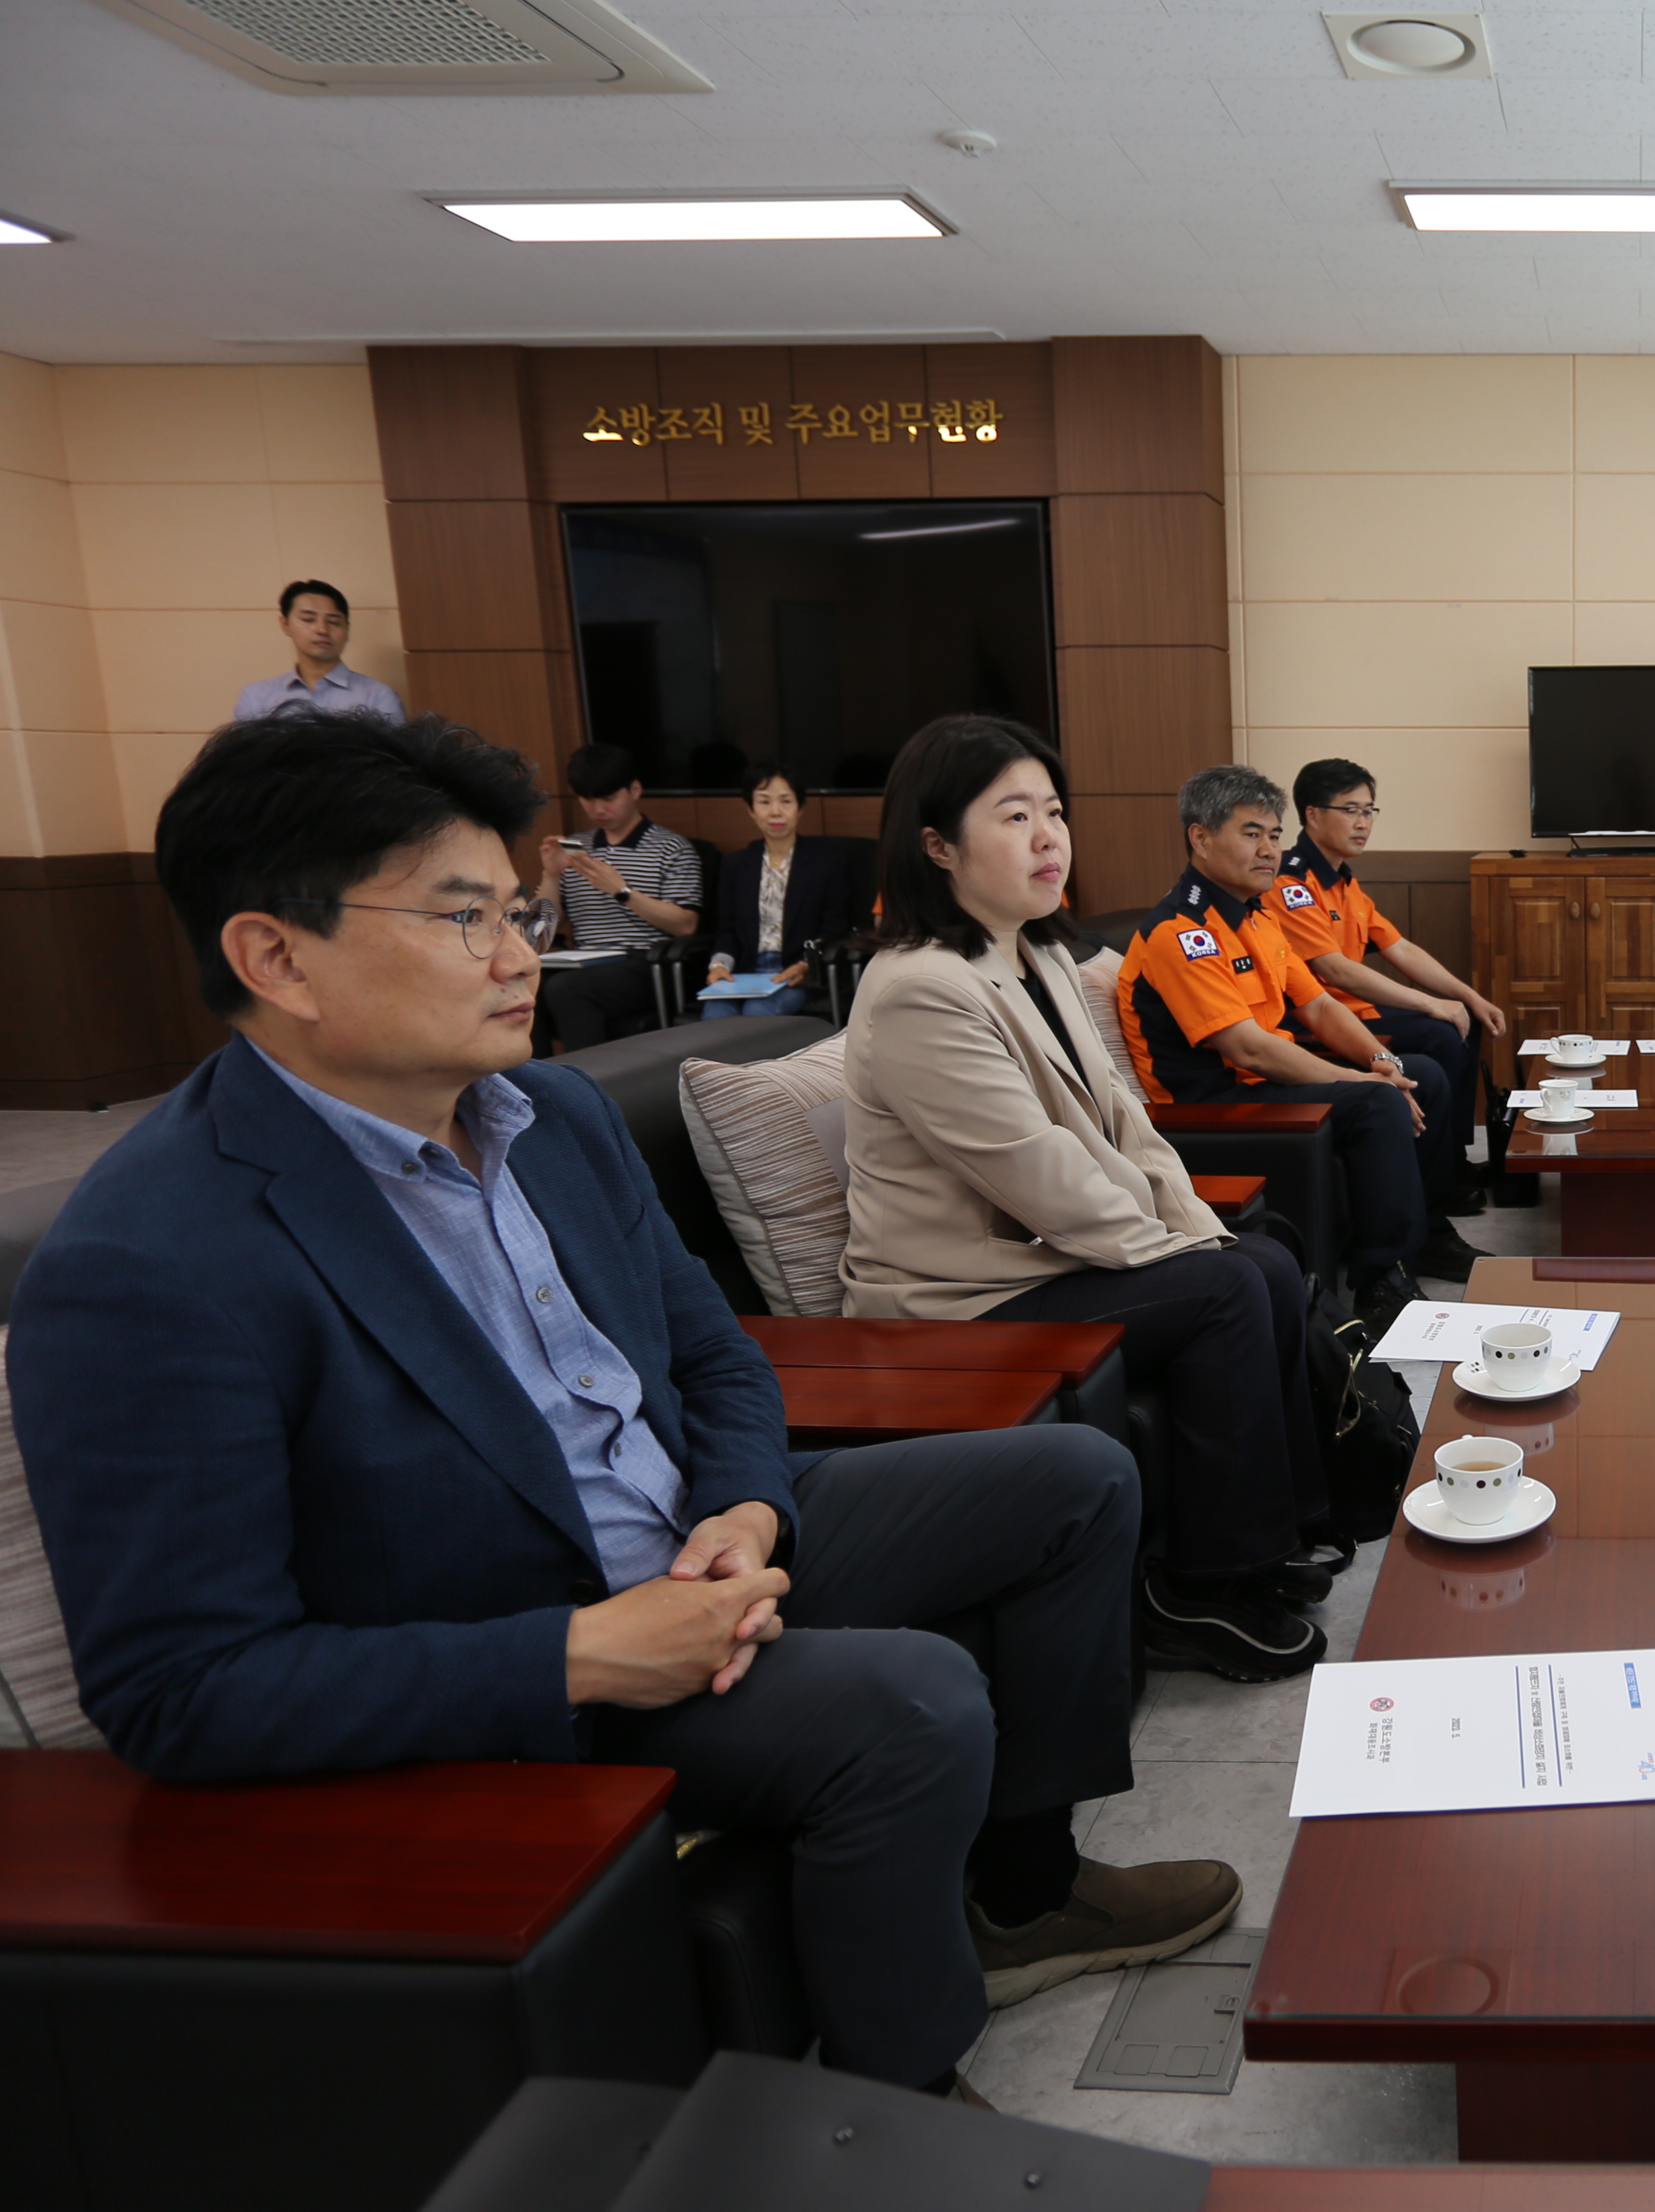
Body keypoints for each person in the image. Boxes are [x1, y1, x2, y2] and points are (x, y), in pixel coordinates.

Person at [7, 712, 1240, 2103]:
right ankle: (890, 2108)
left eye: (516, 912)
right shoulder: (151, 1258)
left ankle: (1024, 1891)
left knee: (1073, 1480)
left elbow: (714, 1356)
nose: (517, 956)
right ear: (274, 956)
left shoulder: (552, 1118)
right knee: (911, 1700)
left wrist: (746, 1505)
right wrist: (583, 1654)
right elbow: (180, 1691)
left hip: (693, 1539)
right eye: (462, 918)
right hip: (529, 1653)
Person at [840, 716, 1343, 1681]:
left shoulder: (1034, 958)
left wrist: (1195, 1228)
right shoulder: (919, 990)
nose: (1049, 839)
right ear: (936, 845)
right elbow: (1043, 1177)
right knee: (1228, 1287)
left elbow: (1123, 1123)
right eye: (1014, 816)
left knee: (1266, 1260)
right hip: (962, 1298)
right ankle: (1197, 1587)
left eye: (1055, 813)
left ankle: (1278, 1536)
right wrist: (1189, 1253)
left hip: (1046, 1258)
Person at [1110, 765, 1475, 1319]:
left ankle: (1422, 1233)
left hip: (1264, 1084)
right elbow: (1249, 1049)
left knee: (1417, 1071)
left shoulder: (1255, 918)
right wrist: (1366, 1081)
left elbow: (1320, 1006)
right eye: (1251, 833)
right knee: (1378, 1100)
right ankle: (1382, 1283)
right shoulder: (1181, 932)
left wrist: (1382, 1061)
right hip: (1211, 1106)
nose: (1269, 850)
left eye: (1275, 835)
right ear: (1201, 838)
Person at [1272, 758, 1505, 1222]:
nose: (1363, 823)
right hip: (1319, 1023)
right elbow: (1335, 971)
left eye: (1369, 811)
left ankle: (1452, 1160)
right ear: (1313, 815)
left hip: (1356, 1012)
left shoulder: (1344, 882)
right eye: (1351, 810)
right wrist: (1431, 1004)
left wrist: (1468, 997)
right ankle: (1439, 1182)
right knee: (1440, 1033)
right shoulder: (1291, 883)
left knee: (1465, 1020)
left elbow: (1401, 949)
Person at [531, 743, 706, 1052]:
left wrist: (622, 892)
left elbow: (685, 925)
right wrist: (551, 875)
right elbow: (542, 933)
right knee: (527, 981)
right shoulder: (576, 849)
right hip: (583, 961)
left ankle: (590, 1078)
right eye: (588, 799)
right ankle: (538, 1078)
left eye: (609, 799)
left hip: (645, 964)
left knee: (567, 989)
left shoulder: (671, 848)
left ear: (635, 790)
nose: (598, 810)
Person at [699, 760, 850, 1021]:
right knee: (716, 1015)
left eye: (786, 801)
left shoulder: (828, 864)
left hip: (798, 975)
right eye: (764, 802)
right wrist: (719, 966)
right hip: (744, 974)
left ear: (800, 807)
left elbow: (835, 930)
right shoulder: (736, 865)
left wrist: (806, 965)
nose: (775, 812)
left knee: (758, 1013)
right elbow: (727, 932)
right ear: (751, 809)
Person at [232, 579, 405, 725]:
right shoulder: (257, 697)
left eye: (334, 622)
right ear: (285, 625)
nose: (322, 630)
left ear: (347, 629)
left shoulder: (378, 697)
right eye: (309, 619)